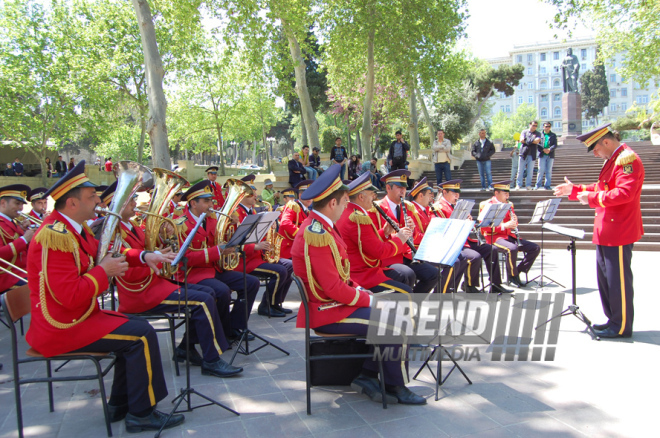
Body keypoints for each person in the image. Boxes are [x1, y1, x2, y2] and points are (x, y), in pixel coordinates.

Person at [25, 161, 185, 432]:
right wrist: (102, 272)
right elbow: (69, 296)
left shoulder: (76, 228)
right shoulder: (54, 237)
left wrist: (146, 256)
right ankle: (141, 414)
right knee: (140, 334)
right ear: (72, 204)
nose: (100, 200)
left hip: (81, 315)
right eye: (92, 197)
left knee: (135, 333)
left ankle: (121, 404)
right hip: (62, 325)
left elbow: (110, 257)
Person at [292, 164, 425, 405]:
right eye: (344, 202)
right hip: (327, 311)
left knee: (395, 312)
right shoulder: (317, 234)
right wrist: (370, 299)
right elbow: (333, 289)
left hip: (335, 303)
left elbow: (342, 274)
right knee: (393, 321)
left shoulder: (323, 227)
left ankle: (367, 375)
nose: (346, 207)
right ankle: (396, 385)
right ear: (333, 203)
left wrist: (361, 291)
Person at [105, 185, 242, 377]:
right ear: (117, 205)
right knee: (202, 301)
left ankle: (186, 348)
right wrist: (152, 255)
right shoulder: (113, 231)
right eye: (130, 201)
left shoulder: (133, 226)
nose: (135, 204)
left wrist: (163, 237)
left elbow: (152, 247)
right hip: (140, 291)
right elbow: (125, 260)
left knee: (208, 294)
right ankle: (211, 359)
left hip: (156, 282)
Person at [554, 123, 644, 338]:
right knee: (606, 280)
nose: (595, 154)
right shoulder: (613, 160)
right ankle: (613, 319)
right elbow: (602, 186)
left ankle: (621, 326)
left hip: (619, 230)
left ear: (606, 141)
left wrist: (591, 198)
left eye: (595, 149)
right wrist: (574, 190)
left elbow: (624, 194)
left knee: (618, 281)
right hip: (607, 229)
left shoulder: (626, 160)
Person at [178, 180, 261, 339]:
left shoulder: (212, 220)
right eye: (207, 201)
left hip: (214, 269)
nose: (212, 204)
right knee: (222, 291)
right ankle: (222, 332)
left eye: (211, 200)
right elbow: (185, 258)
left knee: (251, 283)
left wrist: (235, 230)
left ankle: (235, 326)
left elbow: (225, 240)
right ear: (194, 203)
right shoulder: (181, 224)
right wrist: (218, 251)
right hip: (193, 273)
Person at [336, 172, 413, 294]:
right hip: (361, 274)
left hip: (360, 269)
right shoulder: (358, 218)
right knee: (407, 292)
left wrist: (384, 233)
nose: (374, 198)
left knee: (406, 276)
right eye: (372, 195)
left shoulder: (349, 212)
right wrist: (400, 238)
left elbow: (364, 241)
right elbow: (379, 252)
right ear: (361, 197)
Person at [431, 180, 511, 294]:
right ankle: (469, 285)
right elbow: (442, 229)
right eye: (454, 193)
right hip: (453, 242)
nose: (457, 195)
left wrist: (469, 222)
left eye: (458, 193)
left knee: (491, 249)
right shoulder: (438, 207)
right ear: (444, 192)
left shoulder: (457, 205)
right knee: (474, 256)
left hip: (465, 240)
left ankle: (495, 284)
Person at [368, 170, 438, 294]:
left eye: (404, 188)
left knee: (434, 274)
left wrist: (412, 231)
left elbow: (414, 234)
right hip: (388, 258)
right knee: (407, 274)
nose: (403, 191)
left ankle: (414, 304)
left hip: (406, 255)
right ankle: (403, 307)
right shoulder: (375, 208)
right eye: (399, 187)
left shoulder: (407, 206)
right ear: (388, 188)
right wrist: (386, 232)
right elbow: (371, 239)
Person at [233, 188, 294, 317]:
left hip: (258, 257)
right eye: (251, 194)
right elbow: (234, 241)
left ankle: (276, 303)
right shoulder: (236, 214)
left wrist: (269, 230)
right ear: (242, 196)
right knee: (279, 271)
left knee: (290, 265)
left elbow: (257, 234)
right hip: (245, 260)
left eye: (255, 193)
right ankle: (266, 305)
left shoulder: (253, 211)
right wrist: (255, 246)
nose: (255, 196)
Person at [408, 178, 468, 294]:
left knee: (462, 257)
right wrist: (432, 238)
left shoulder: (426, 209)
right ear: (421, 195)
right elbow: (415, 236)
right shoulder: (413, 210)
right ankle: (441, 294)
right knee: (453, 262)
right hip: (420, 251)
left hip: (430, 247)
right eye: (430, 194)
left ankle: (450, 289)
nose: (432, 197)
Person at [480, 181, 540, 288]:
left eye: (508, 193)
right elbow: (484, 227)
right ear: (496, 193)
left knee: (535, 248)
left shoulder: (509, 204)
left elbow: (513, 222)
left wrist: (514, 222)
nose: (507, 195)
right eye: (505, 193)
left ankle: (517, 271)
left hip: (508, 236)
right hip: (494, 237)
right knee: (511, 249)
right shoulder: (487, 205)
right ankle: (513, 276)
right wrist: (504, 226)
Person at [0, 184, 33, 294]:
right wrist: (24, 239)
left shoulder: (14, 222)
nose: (21, 208)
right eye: (17, 203)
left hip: (22, 272)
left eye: (22, 204)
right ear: (3, 203)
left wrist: (26, 232)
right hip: (6, 278)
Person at [277, 180, 313, 260]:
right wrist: (302, 235)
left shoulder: (307, 211)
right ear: (300, 195)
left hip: (299, 248)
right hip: (288, 250)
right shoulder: (293, 206)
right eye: (308, 194)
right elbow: (285, 223)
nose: (310, 198)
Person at [516, 121, 541, 190]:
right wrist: (532, 140)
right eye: (533, 125)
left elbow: (537, 141)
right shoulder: (524, 132)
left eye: (536, 126)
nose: (534, 127)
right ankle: (518, 185)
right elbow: (521, 140)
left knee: (530, 171)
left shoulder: (538, 133)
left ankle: (528, 185)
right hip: (523, 153)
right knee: (520, 170)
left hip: (532, 154)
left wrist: (526, 140)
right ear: (530, 125)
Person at [535, 122, 557, 190]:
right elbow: (537, 144)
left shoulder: (553, 135)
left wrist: (550, 149)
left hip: (550, 155)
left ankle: (547, 185)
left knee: (549, 171)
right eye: (546, 126)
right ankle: (538, 185)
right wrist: (543, 149)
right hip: (542, 155)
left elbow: (555, 144)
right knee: (540, 170)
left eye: (549, 126)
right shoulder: (539, 135)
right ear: (543, 127)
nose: (547, 128)